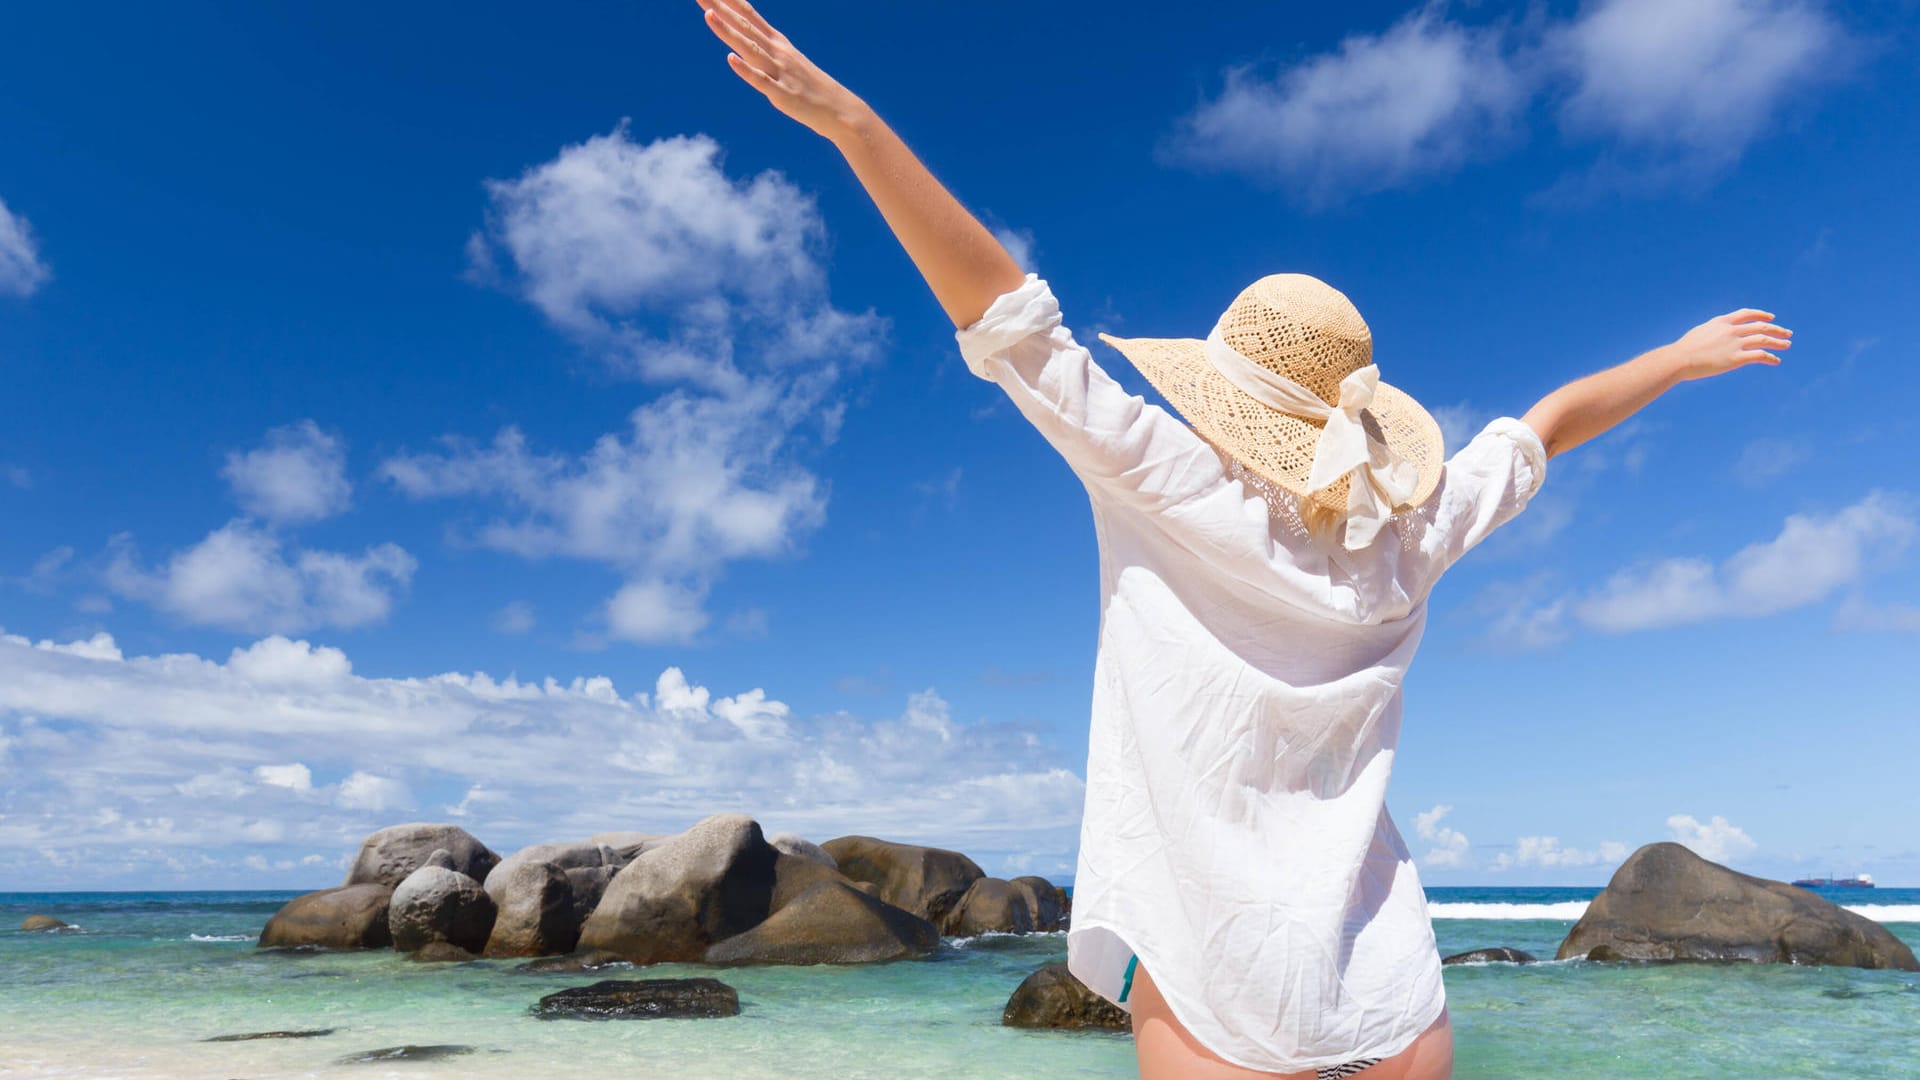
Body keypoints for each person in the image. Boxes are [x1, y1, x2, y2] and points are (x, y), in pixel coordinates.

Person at [693, 3, 1793, 1077]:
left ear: (1222, 399)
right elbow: (1547, 423)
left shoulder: (1162, 479)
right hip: (1395, 993)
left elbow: (1003, 314)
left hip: (1225, 994)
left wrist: (856, 128)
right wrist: (1678, 355)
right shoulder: (1411, 534)